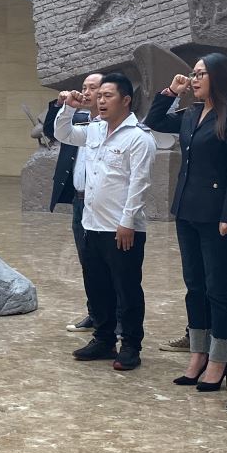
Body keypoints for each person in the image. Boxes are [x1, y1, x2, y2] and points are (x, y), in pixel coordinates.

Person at [147, 53, 227, 390]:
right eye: (193, 73)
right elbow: (155, 120)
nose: (193, 79)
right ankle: (198, 353)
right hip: (187, 209)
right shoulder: (191, 113)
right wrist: (170, 92)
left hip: (216, 215)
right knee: (194, 285)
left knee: (218, 287)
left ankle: (221, 357)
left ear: (218, 77)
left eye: (201, 74)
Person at [54, 73, 156, 370]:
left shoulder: (139, 137)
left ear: (126, 100)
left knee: (127, 289)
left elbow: (140, 183)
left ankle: (131, 346)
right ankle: (103, 339)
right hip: (92, 224)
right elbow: (63, 133)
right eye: (99, 96)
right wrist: (68, 108)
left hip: (122, 228)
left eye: (107, 96)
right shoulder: (95, 130)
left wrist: (127, 222)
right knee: (97, 286)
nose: (100, 100)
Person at [42, 72, 104, 333]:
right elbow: (50, 131)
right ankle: (95, 313)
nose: (86, 92)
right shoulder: (76, 119)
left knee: (107, 262)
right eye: (84, 87)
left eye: (93, 88)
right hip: (79, 200)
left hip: (102, 202)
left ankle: (115, 318)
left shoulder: (113, 126)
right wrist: (60, 105)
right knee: (86, 259)